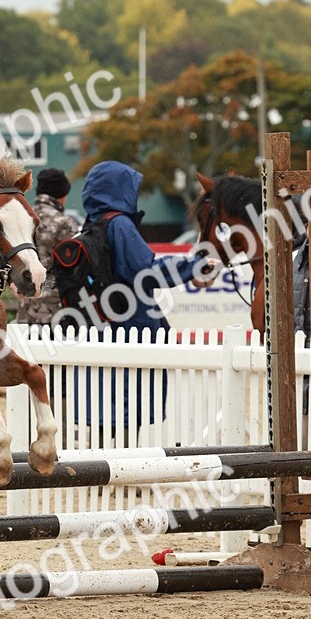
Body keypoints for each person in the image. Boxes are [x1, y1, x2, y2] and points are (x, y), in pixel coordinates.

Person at [68, 161, 220, 436]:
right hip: (130, 327)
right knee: (127, 412)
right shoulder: (120, 225)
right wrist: (192, 266)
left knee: (105, 412)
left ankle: (106, 475)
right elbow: (146, 271)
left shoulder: (89, 225)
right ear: (119, 190)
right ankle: (124, 474)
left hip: (101, 326)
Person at [16, 167, 79, 326]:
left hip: (25, 307)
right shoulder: (64, 223)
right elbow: (75, 267)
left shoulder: (23, 217)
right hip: (55, 311)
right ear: (61, 194)